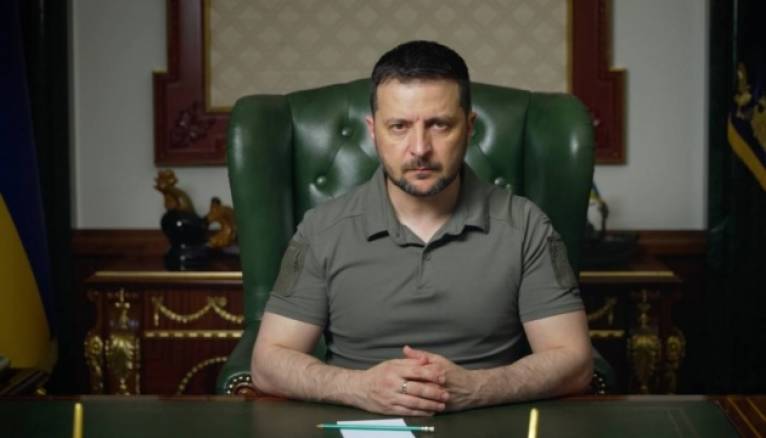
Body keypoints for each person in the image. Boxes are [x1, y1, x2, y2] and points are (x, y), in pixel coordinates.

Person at [250, 40, 592, 416]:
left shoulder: (526, 226)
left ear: (469, 127)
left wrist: (476, 388)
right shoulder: (322, 229)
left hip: (487, 421)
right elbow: (268, 364)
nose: (420, 148)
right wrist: (359, 388)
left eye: (439, 125)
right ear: (373, 131)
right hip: (359, 425)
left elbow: (574, 362)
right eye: (399, 127)